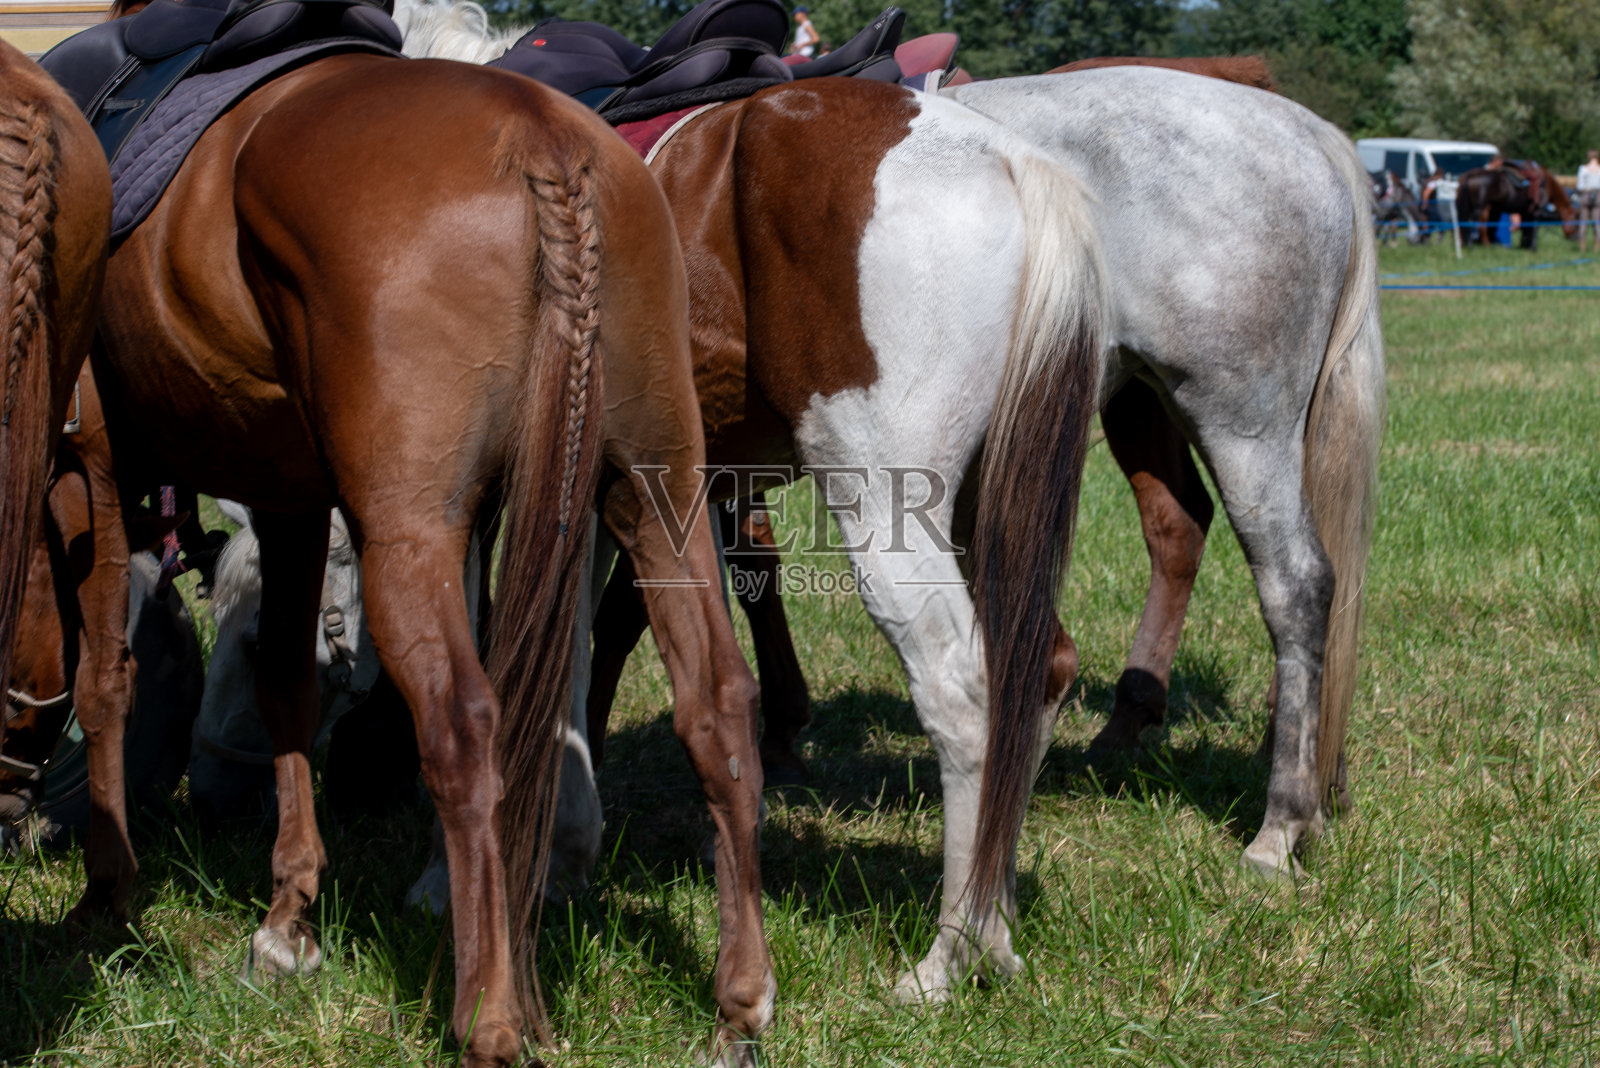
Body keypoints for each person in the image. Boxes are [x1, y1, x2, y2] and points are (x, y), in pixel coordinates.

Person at [1577, 149, 1600, 254]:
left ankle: (1582, 248)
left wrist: (1588, 188)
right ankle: (1597, 248)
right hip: (1598, 196)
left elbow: (1580, 186)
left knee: (1583, 222)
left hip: (1585, 195)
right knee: (1597, 223)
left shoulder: (1583, 169)